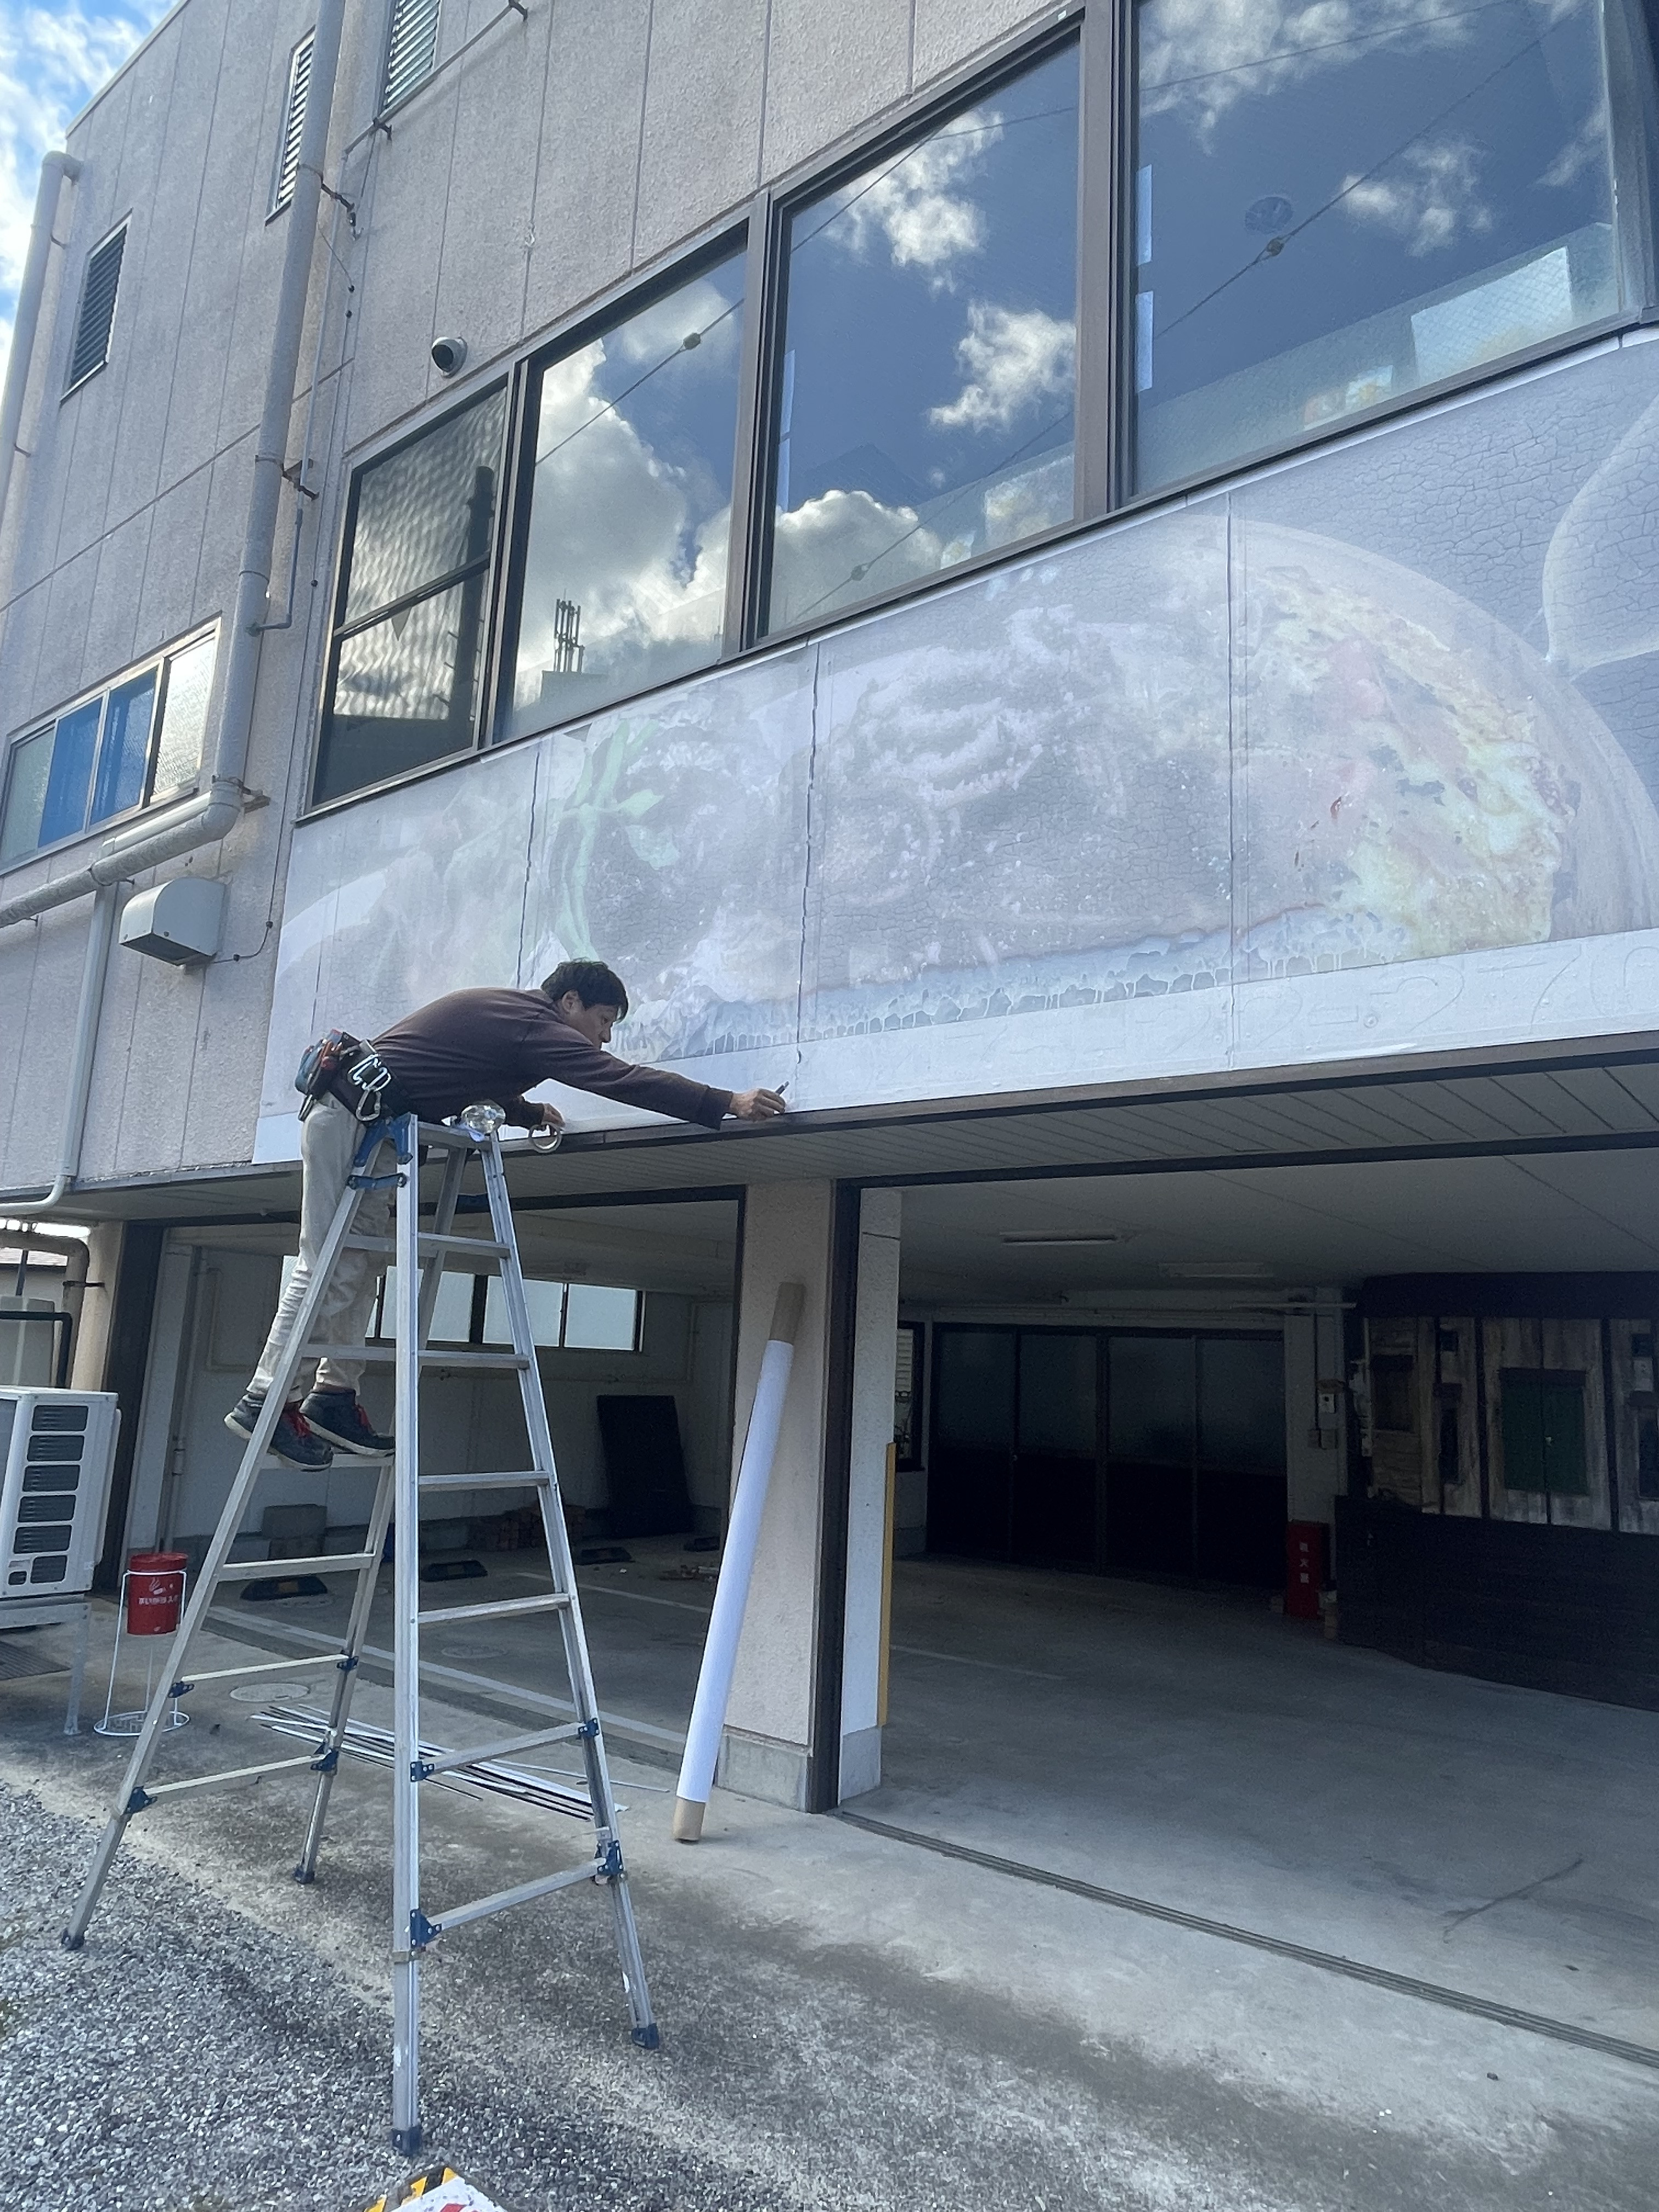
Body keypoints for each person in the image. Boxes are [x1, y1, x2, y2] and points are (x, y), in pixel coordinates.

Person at [228, 960, 786, 1466]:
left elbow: (467, 1072)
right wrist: (725, 1102)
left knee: (361, 1264)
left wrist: (526, 1112)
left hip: (370, 1125)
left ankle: (333, 1397)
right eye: (604, 1020)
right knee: (325, 1262)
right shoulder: (531, 1022)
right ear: (570, 1002)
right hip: (349, 1116)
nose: (606, 1036)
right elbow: (618, 1077)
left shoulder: (514, 1021)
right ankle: (266, 1400)